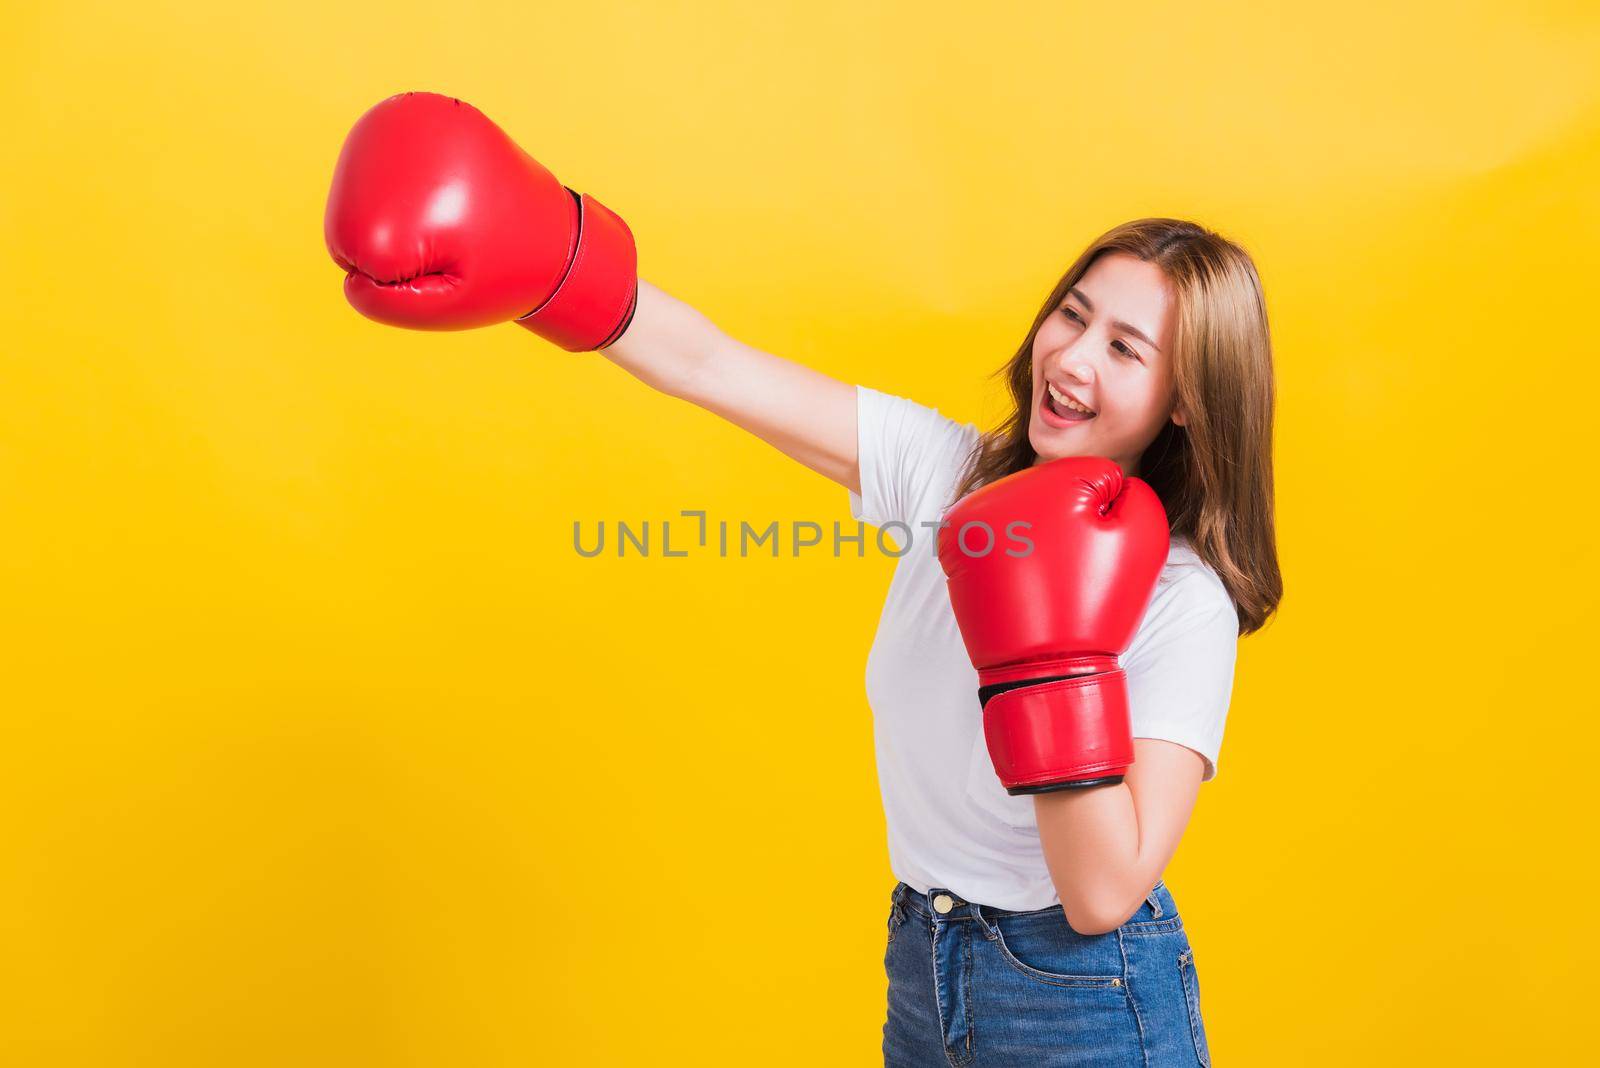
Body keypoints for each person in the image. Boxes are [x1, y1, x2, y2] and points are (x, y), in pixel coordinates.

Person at [326, 92, 1283, 1067]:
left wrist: (1051, 652)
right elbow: (710, 364)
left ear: (1185, 403)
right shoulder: (948, 478)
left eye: (1124, 349)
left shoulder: (1182, 601)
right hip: (926, 953)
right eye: (1071, 315)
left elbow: (1101, 893)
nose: (1072, 357)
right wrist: (546, 259)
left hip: (1079, 990)